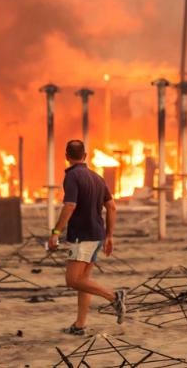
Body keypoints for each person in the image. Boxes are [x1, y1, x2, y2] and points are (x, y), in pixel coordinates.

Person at [48, 140, 126, 335]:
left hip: (82, 236)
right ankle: (79, 325)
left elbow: (70, 205)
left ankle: (114, 297)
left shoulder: (72, 176)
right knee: (84, 280)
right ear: (86, 155)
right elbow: (112, 207)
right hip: (97, 234)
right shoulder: (97, 178)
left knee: (72, 280)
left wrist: (55, 233)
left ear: (66, 156)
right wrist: (109, 236)